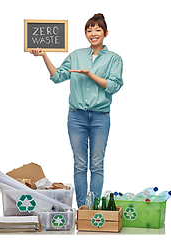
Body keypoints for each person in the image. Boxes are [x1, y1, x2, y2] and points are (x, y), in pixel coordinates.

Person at [30, 13, 123, 208]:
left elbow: (113, 86)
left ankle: (94, 208)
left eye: (97, 30)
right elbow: (57, 77)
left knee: (96, 164)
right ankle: (82, 208)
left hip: (100, 117)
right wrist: (44, 56)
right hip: (76, 116)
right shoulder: (76, 55)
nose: (93, 33)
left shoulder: (114, 59)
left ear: (106, 33)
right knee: (80, 164)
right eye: (89, 30)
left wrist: (90, 74)